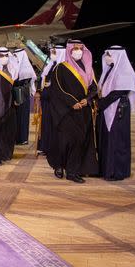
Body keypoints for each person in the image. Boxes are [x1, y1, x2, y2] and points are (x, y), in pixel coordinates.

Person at [45, 39, 99, 183]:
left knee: (79, 141)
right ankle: (58, 165)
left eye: (80, 48)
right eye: (75, 48)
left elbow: (94, 88)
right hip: (66, 112)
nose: (78, 51)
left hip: (83, 111)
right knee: (65, 141)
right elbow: (57, 90)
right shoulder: (61, 68)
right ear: (69, 50)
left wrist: (87, 100)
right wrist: (72, 102)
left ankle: (73, 172)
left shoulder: (88, 68)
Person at [97, 46, 135, 181]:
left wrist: (101, 104)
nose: (108, 57)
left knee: (117, 140)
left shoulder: (124, 72)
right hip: (107, 109)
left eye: (110, 54)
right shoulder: (109, 70)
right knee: (106, 138)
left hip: (118, 110)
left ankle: (116, 171)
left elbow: (119, 92)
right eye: (107, 54)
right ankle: (105, 168)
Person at [37, 44, 66, 154]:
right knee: (46, 124)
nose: (51, 55)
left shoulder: (62, 67)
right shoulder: (50, 65)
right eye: (52, 52)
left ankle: (53, 147)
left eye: (54, 53)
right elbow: (43, 80)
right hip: (47, 101)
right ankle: (45, 146)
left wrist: (51, 85)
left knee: (54, 125)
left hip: (56, 102)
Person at [12, 48, 37, 145]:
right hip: (14, 94)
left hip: (23, 94)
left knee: (23, 117)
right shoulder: (13, 66)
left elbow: (29, 81)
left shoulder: (26, 67)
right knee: (15, 117)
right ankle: (15, 137)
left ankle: (23, 138)